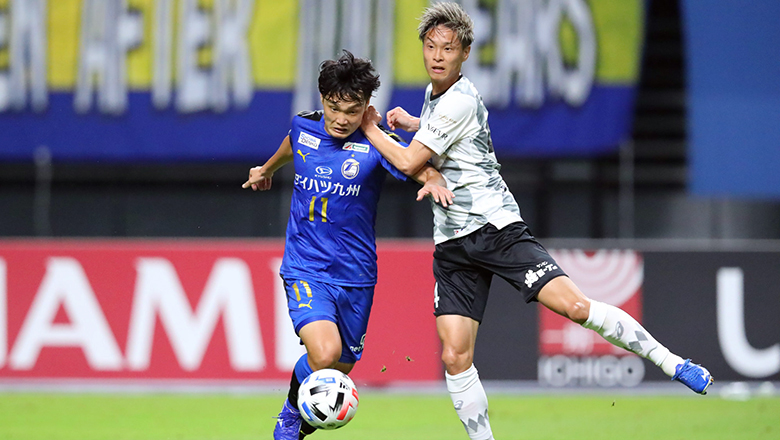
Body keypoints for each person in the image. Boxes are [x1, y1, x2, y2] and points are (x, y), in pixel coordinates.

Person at [359, 3, 713, 440]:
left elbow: (413, 160)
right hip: (452, 241)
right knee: (454, 356)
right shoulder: (437, 99)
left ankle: (672, 362)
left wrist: (370, 127)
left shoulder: (460, 99)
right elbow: (449, 140)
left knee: (577, 308)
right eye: (430, 46)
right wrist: (418, 122)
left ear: (464, 53)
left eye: (447, 48)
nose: (436, 55)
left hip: (496, 229)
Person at [242, 50, 453, 440]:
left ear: (367, 108)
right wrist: (266, 169)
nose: (341, 119)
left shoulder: (376, 144)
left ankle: (300, 427)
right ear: (322, 100)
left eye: (352, 111)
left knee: (339, 366)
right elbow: (292, 144)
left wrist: (432, 178)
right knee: (323, 354)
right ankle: (289, 418)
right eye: (334, 108)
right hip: (306, 267)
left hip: (356, 277)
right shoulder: (304, 127)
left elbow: (413, 163)